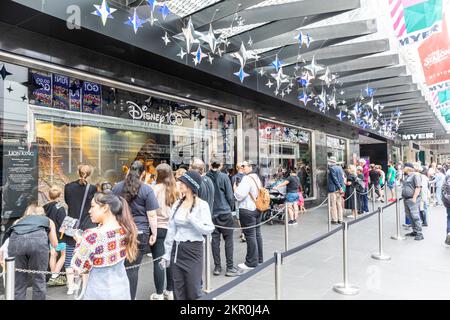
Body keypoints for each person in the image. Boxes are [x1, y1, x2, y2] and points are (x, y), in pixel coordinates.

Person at [70, 191, 138, 300]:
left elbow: (79, 267)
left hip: (98, 292)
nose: (89, 210)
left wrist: (79, 242)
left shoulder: (92, 235)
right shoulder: (125, 230)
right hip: (122, 289)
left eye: (92, 206)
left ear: (105, 208)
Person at [162, 171, 214, 300]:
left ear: (190, 185)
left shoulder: (202, 205)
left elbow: (208, 229)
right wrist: (167, 254)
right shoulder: (177, 204)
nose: (179, 184)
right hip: (177, 250)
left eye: (182, 182)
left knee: (193, 289)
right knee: (177, 289)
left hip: (193, 250)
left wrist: (193, 219)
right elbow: (171, 230)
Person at [112, 160, 159, 300]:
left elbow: (113, 210)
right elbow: (151, 214)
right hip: (140, 232)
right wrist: (154, 233)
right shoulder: (147, 189)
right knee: (133, 269)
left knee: (118, 267)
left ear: (128, 171)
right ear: (143, 173)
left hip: (120, 230)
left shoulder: (117, 188)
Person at [4, 203, 59, 300]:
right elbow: (55, 244)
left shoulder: (18, 221)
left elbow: (10, 237)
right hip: (38, 242)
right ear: (42, 212)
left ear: (27, 212)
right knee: (39, 279)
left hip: (16, 243)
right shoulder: (48, 220)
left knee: (18, 282)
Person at [63, 164, 97, 295]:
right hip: (87, 225)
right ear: (89, 174)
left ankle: (71, 286)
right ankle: (84, 286)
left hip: (71, 224)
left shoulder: (68, 187)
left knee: (69, 254)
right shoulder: (93, 189)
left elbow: (67, 202)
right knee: (86, 256)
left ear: (78, 172)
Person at [206, 158, 241, 277]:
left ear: (210, 165)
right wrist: (231, 208)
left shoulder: (206, 177)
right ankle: (229, 267)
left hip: (212, 212)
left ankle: (217, 267)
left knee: (215, 241)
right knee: (228, 239)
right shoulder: (224, 177)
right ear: (220, 165)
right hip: (224, 211)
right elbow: (230, 196)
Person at [149, 163, 177, 300]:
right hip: (173, 228)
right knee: (170, 260)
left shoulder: (154, 189)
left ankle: (159, 294)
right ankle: (170, 291)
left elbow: (151, 212)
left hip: (158, 228)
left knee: (158, 261)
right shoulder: (175, 188)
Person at [234, 161, 264, 270]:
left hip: (247, 209)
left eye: (244, 166)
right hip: (257, 209)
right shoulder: (256, 177)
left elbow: (239, 195)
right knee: (257, 234)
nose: (242, 168)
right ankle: (259, 258)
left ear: (250, 167)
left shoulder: (247, 179)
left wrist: (235, 189)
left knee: (250, 235)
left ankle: (251, 262)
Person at [43, 186, 67, 287]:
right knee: (63, 255)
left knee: (53, 255)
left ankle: (53, 277)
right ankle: (54, 276)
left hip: (49, 236)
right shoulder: (60, 207)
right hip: (59, 236)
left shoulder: (44, 207)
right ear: (60, 195)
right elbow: (63, 224)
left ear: (49, 195)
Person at [402, 163, 423, 241]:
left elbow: (418, 187)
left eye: (404, 167)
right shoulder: (407, 176)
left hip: (412, 199)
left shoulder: (415, 175)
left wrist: (414, 198)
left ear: (408, 168)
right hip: (406, 198)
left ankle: (419, 233)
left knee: (415, 215)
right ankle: (415, 231)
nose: (402, 168)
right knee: (409, 215)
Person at [231, 163, 246, 243]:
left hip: (238, 198)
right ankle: (243, 231)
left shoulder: (234, 177)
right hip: (245, 199)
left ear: (237, 168)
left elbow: (234, 189)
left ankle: (243, 232)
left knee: (238, 216)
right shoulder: (246, 177)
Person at [327, 157, 345, 224]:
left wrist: (340, 187)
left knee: (333, 205)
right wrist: (341, 187)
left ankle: (334, 220)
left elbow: (335, 179)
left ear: (331, 162)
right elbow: (343, 178)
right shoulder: (340, 168)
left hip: (333, 189)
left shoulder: (331, 168)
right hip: (339, 189)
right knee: (339, 204)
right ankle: (340, 219)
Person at [443, 170, 450, 245]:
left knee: (449, 217)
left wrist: (444, 201)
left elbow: (443, 189)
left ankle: (449, 233)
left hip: (448, 200)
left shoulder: (447, 175)